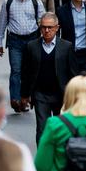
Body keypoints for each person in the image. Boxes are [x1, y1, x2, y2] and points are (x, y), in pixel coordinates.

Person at [21, 13, 76, 143]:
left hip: (60, 94)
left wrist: (74, 96)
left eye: (50, 27)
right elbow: (26, 73)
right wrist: (24, 95)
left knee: (61, 128)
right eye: (43, 27)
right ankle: (42, 160)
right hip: (40, 95)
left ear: (57, 28)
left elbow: (73, 73)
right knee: (42, 129)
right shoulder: (31, 46)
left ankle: (59, 157)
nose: (47, 30)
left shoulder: (66, 47)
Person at [0, 0, 44, 112]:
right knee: (16, 70)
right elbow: (2, 22)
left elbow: (42, 22)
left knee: (29, 71)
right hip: (15, 40)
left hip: (32, 40)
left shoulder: (36, 2)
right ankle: (15, 99)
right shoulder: (8, 2)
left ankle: (25, 98)